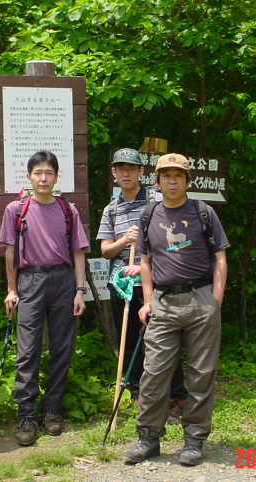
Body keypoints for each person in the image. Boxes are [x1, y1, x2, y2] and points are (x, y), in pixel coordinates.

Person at [122, 153, 229, 467]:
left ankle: (194, 440)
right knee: (154, 373)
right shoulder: (148, 214)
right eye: (166, 176)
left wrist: (216, 301)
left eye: (178, 176)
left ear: (187, 181)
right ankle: (148, 439)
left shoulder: (203, 212)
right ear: (157, 181)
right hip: (164, 303)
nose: (172, 181)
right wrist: (147, 301)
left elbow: (220, 258)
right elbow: (145, 261)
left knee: (201, 374)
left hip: (201, 299)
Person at [0, 150, 89, 446]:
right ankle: (26, 414)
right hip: (30, 280)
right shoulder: (16, 209)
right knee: (28, 350)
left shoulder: (68, 210)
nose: (43, 178)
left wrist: (79, 290)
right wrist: (12, 289)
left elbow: (78, 252)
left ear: (56, 176)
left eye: (48, 173)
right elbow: (10, 251)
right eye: (37, 172)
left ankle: (52, 410)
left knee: (62, 348)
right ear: (28, 176)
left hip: (63, 279)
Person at [96, 148, 187, 421]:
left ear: (141, 172)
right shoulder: (111, 208)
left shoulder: (157, 199)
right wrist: (125, 240)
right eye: (120, 168)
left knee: (163, 339)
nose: (126, 173)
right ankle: (137, 392)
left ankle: (176, 395)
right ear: (114, 172)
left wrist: (147, 259)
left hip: (154, 280)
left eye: (131, 168)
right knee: (129, 339)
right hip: (122, 283)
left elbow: (173, 239)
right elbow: (105, 251)